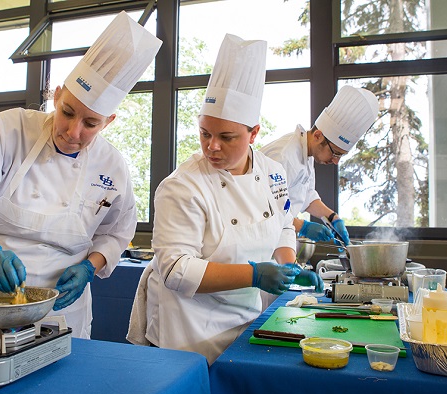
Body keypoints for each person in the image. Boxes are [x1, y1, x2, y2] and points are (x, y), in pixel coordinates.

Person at [0, 11, 162, 338]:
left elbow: (116, 233)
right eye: (67, 112)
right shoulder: (9, 130)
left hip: (64, 312)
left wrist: (91, 265)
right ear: (56, 96)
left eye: (90, 123)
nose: (73, 131)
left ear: (108, 121)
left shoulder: (112, 166)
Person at [126, 34, 323, 364]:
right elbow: (176, 270)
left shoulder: (273, 173)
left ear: (254, 133)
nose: (212, 146)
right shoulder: (182, 186)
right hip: (190, 332)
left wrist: (287, 264)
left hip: (246, 321)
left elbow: (284, 225)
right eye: (205, 133)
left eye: (226, 137)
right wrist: (255, 275)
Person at [261, 85, 379, 245]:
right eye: (335, 153)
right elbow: (266, 209)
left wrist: (333, 217)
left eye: (341, 156)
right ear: (318, 136)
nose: (336, 161)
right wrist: (303, 227)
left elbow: (307, 196)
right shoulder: (284, 157)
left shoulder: (307, 154)